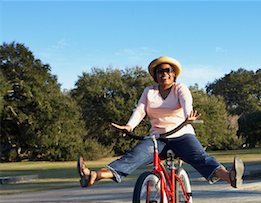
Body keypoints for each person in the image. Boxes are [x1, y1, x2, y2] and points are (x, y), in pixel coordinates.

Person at [77, 56, 244, 189]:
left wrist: (188, 116)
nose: (163, 74)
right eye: (159, 71)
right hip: (157, 138)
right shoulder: (149, 91)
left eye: (167, 70)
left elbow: (187, 103)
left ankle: (230, 177)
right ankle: (94, 175)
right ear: (155, 75)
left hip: (181, 134)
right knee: (132, 157)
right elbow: (140, 110)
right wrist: (129, 126)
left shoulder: (180, 89)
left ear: (173, 74)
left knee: (200, 157)